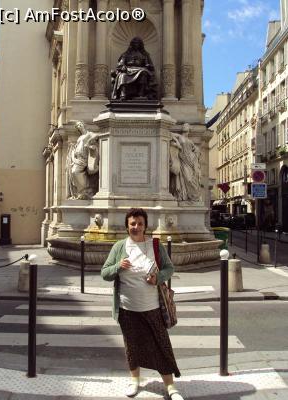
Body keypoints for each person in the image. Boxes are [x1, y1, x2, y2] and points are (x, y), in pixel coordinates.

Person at [101, 208, 183, 400]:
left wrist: (158, 278)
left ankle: (171, 387)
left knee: (161, 345)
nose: (136, 227)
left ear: (146, 226)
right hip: (126, 308)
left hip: (153, 306)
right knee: (132, 346)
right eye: (132, 224)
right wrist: (117, 266)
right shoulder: (119, 247)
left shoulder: (155, 245)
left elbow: (169, 268)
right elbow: (105, 273)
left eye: (140, 223)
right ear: (127, 226)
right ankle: (135, 381)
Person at [66, 121, 99, 199]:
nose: (79, 126)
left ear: (84, 125)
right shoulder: (80, 137)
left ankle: (86, 190)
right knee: (73, 172)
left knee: (75, 171)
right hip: (78, 158)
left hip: (84, 157)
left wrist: (89, 141)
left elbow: (97, 135)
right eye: (78, 126)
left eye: (80, 124)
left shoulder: (89, 134)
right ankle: (81, 192)